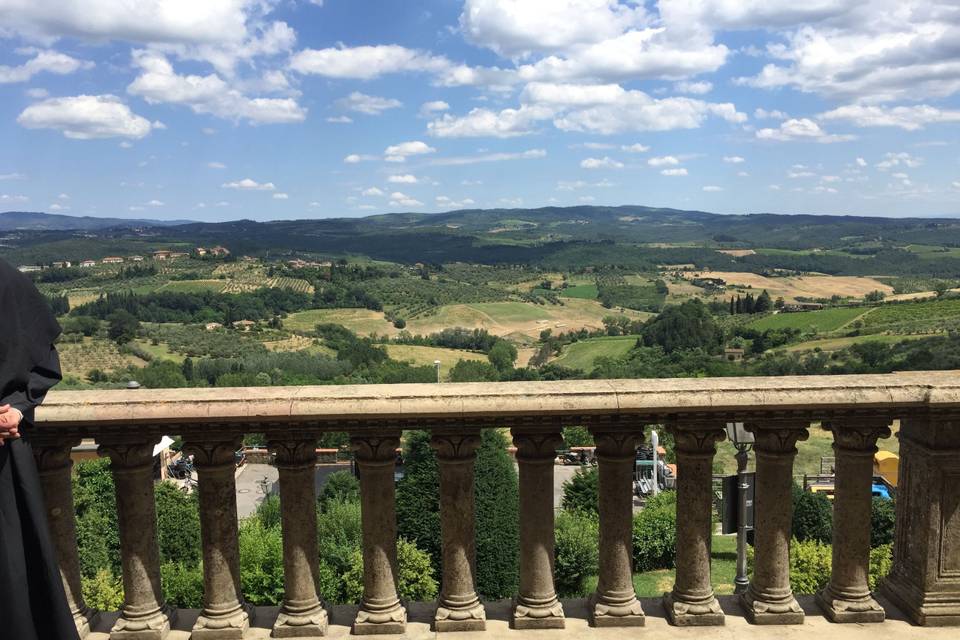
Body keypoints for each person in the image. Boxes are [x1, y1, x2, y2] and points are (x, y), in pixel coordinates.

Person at [0, 258, 80, 640]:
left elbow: (43, 361)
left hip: (4, 455)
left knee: (14, 569)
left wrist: (18, 407)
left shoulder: (6, 279)